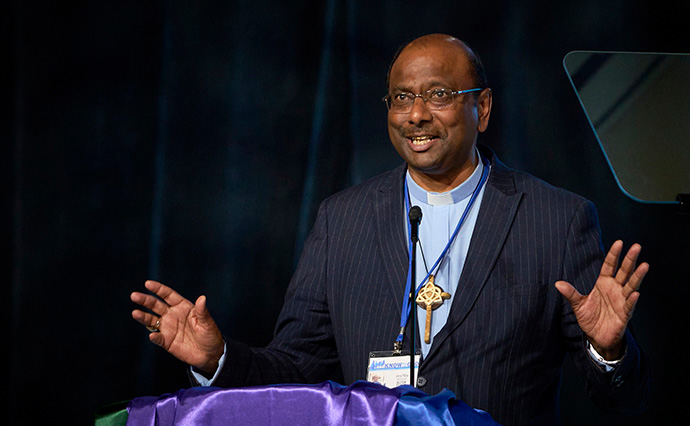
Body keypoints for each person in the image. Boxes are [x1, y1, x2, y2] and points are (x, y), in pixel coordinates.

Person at [131, 34, 651, 425]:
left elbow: (618, 399)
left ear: (483, 107)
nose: (417, 115)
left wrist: (608, 352)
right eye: (401, 98)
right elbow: (296, 369)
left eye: (439, 95)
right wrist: (219, 360)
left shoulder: (557, 219)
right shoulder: (343, 219)